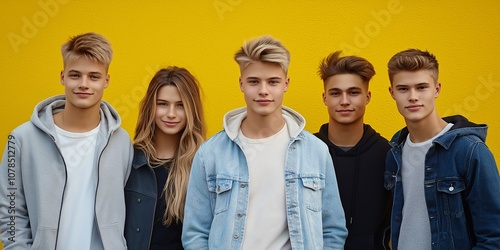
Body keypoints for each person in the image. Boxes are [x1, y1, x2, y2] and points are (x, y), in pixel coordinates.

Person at [182, 35, 347, 249]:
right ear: (241, 83)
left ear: (286, 84)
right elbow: (195, 233)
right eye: (254, 81)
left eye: (273, 82)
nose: (263, 90)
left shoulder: (315, 151)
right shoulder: (211, 153)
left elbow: (333, 229)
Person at [0, 32, 133, 249]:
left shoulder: (120, 142)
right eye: (75, 75)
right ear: (62, 76)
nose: (83, 84)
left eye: (94, 76)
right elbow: (10, 210)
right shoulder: (21, 139)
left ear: (106, 81)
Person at [384, 48, 500, 249]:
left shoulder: (469, 151)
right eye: (403, 89)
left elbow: (493, 236)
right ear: (392, 92)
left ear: (436, 90)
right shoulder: (394, 154)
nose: (413, 97)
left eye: (421, 87)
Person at [314, 51, 391, 250]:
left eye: (353, 92)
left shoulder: (389, 154)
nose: (345, 101)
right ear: (324, 98)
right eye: (335, 93)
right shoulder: (306, 152)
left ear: (367, 97)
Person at [124, 67, 206, 249]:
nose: (171, 114)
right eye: (162, 104)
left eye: (180, 105)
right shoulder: (129, 161)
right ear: (150, 107)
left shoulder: (203, 164)